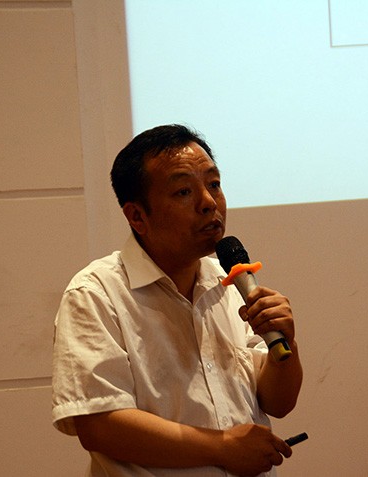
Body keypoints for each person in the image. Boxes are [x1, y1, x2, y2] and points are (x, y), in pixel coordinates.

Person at [52, 124, 303, 476]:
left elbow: (278, 402)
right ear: (137, 216)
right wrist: (223, 448)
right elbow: (99, 425)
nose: (209, 202)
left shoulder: (229, 282)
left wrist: (285, 345)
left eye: (214, 184)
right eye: (184, 191)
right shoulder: (96, 293)